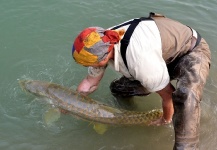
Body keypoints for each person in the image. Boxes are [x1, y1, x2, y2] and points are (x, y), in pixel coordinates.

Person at [72, 12, 211, 150]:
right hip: (157, 56)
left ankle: (186, 146)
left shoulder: (138, 59)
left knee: (185, 97)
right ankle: (132, 111)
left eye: (88, 64)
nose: (88, 67)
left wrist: (165, 119)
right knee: (118, 89)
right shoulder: (101, 42)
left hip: (190, 51)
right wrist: (74, 101)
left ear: (102, 59)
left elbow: (168, 94)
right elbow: (90, 82)